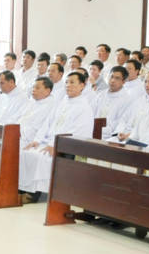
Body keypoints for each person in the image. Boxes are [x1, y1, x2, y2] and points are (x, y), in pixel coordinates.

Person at [18, 70, 95, 201]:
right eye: (66, 82)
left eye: (72, 82)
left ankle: (33, 195)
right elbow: (47, 124)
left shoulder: (84, 108)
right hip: (48, 142)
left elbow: (78, 134)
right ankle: (22, 189)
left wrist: (56, 146)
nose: (68, 85)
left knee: (40, 157)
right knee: (26, 152)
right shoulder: (63, 102)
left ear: (82, 85)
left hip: (65, 148)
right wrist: (37, 140)